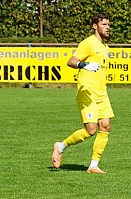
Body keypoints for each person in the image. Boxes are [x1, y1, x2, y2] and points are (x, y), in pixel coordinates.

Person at [51, 13, 114, 174]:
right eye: (104, 24)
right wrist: (83, 64)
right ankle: (61, 146)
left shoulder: (105, 47)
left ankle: (93, 165)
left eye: (108, 25)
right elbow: (71, 61)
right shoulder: (88, 43)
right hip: (87, 94)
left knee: (105, 127)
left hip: (102, 94)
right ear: (95, 26)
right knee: (91, 130)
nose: (108, 27)